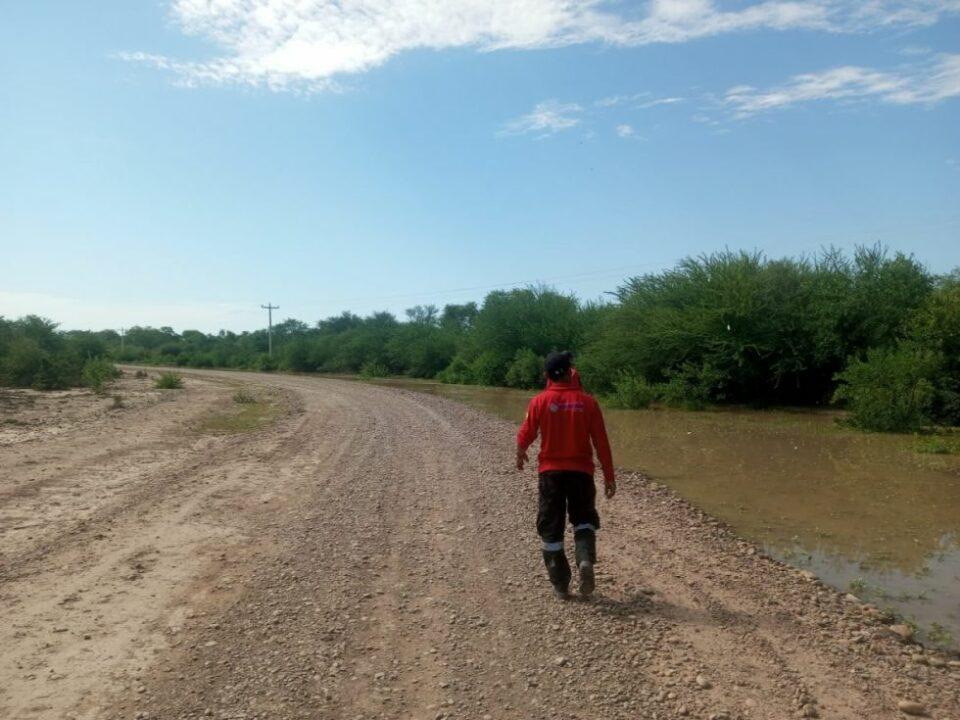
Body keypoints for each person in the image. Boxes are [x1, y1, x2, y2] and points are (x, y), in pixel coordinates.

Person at [516, 351, 616, 599]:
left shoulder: (538, 401)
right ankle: (584, 560)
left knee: (551, 527)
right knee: (583, 519)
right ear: (571, 372)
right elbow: (601, 442)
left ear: (546, 374)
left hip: (551, 474)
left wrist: (520, 452)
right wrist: (609, 476)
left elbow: (526, 433)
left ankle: (561, 584)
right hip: (581, 473)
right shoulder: (588, 402)